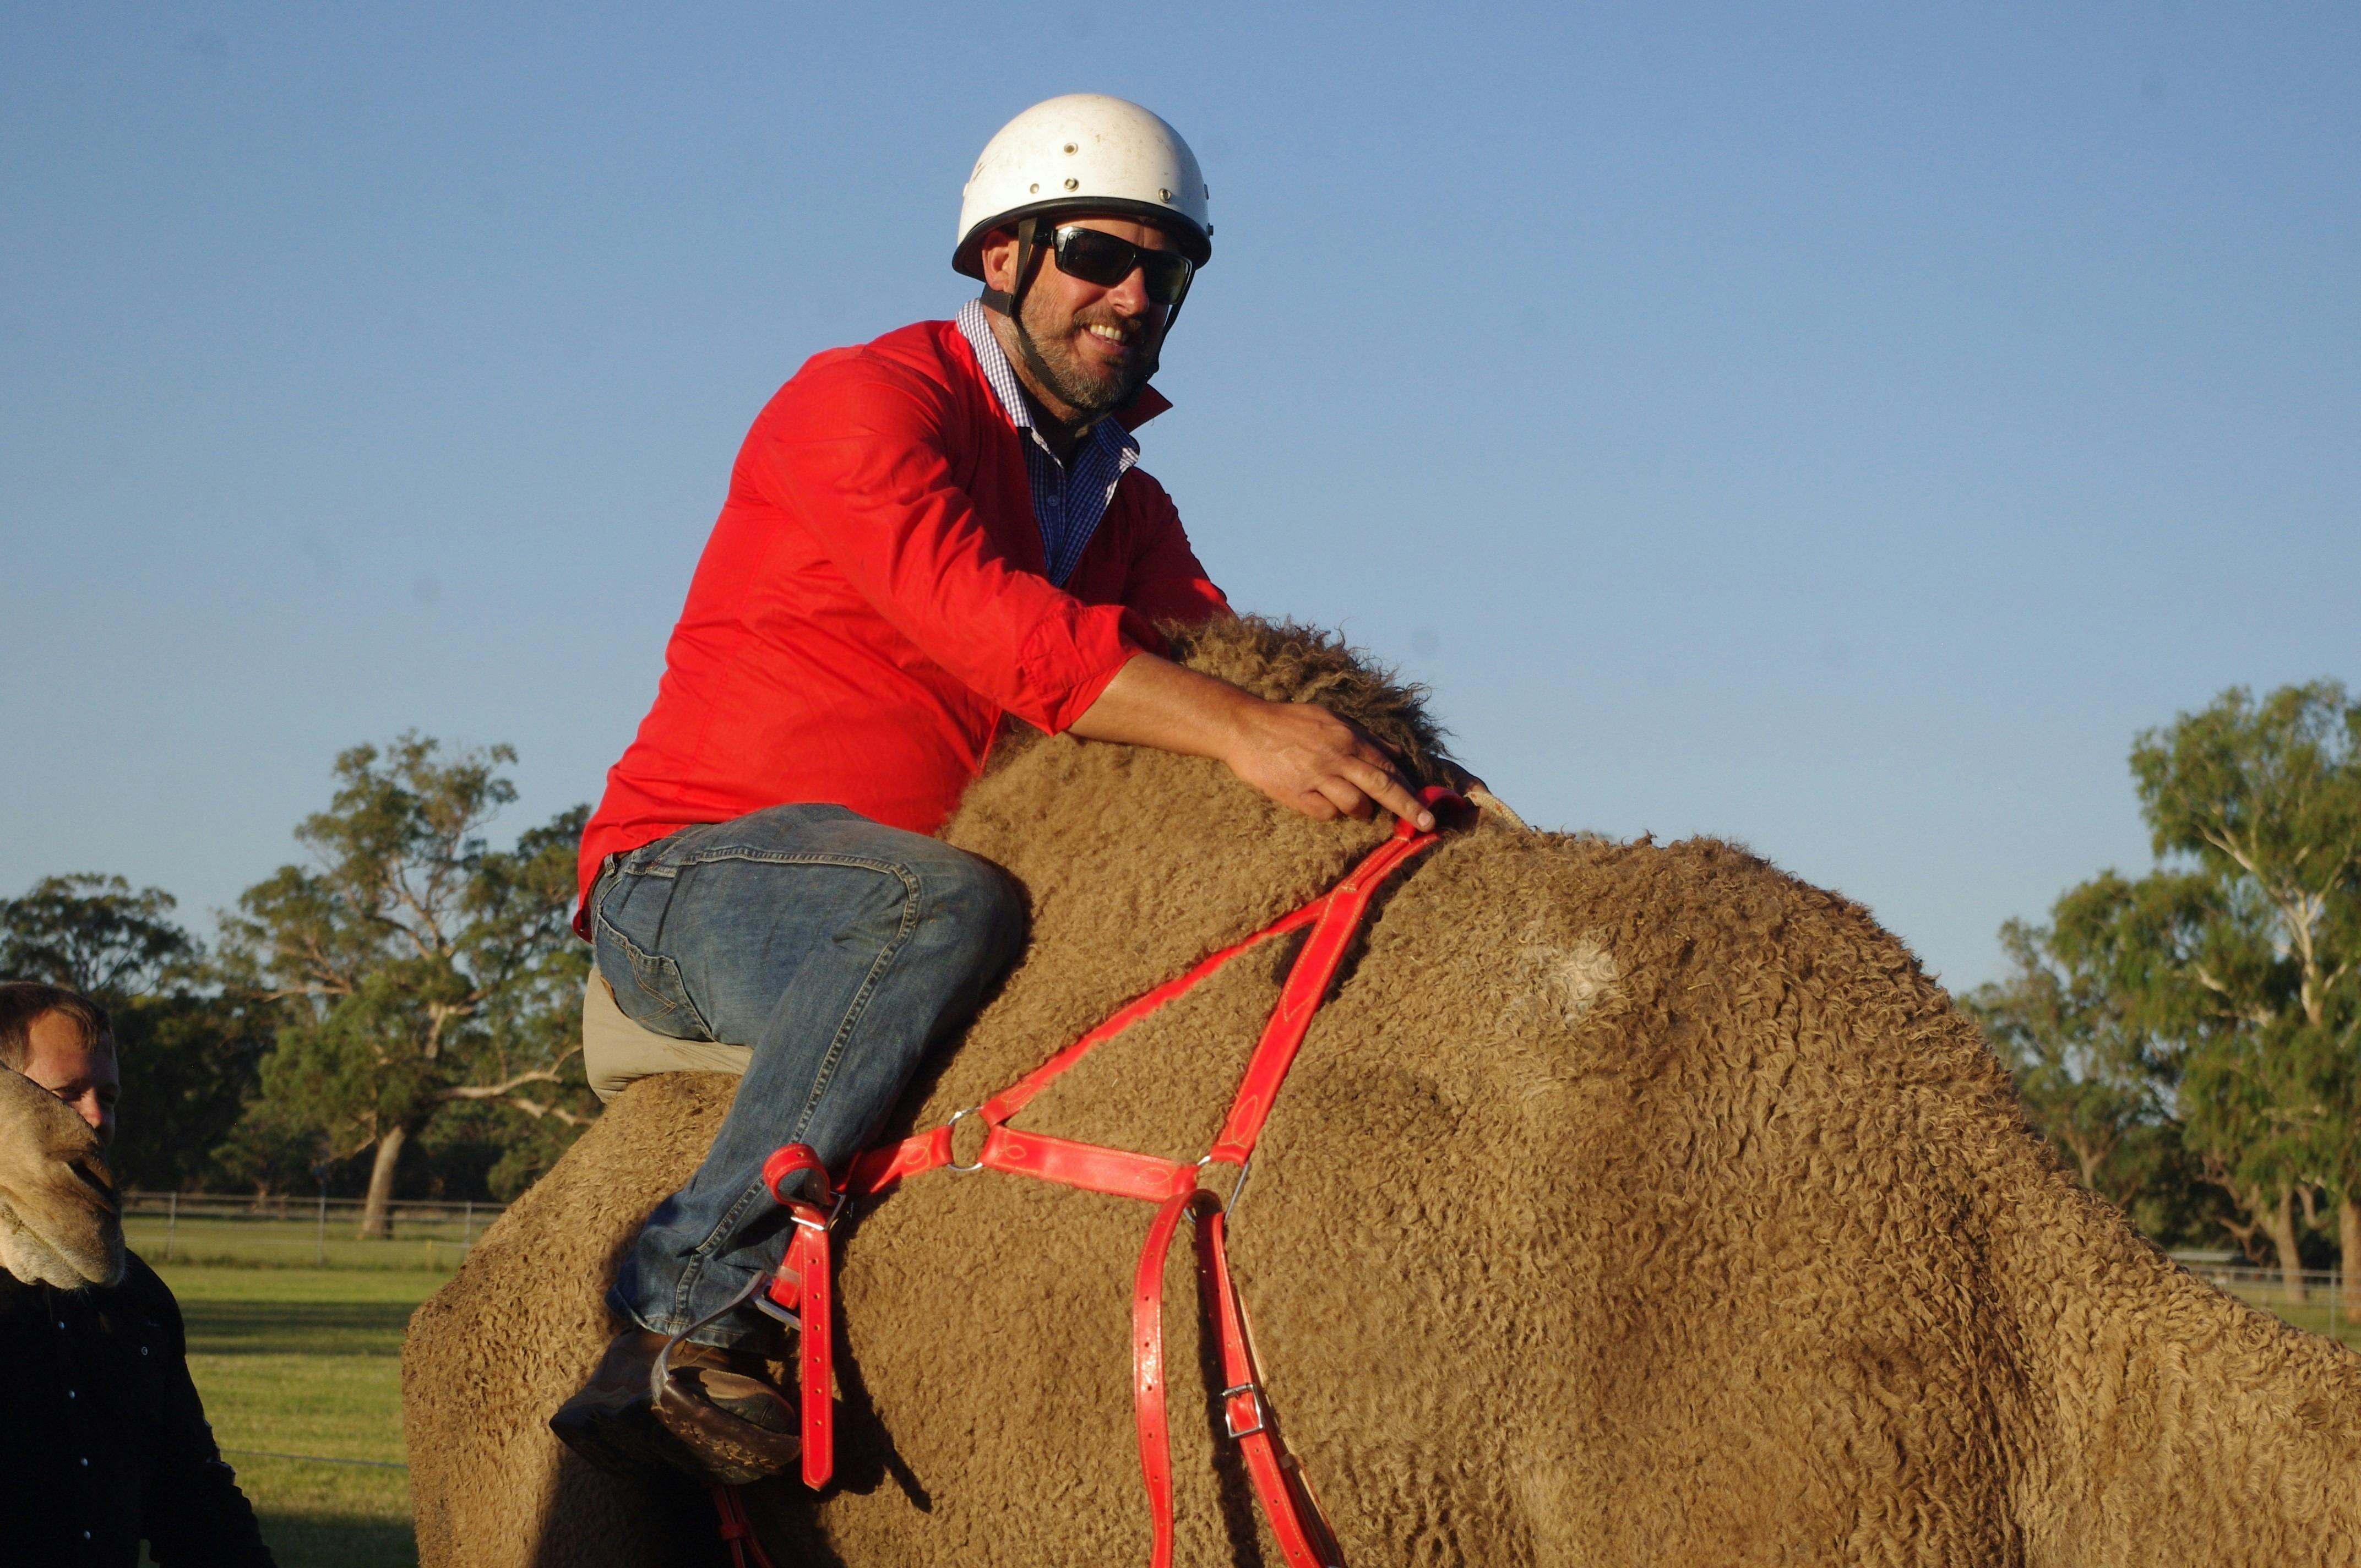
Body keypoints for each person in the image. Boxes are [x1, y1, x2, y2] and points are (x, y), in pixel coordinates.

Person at [550, 94, 1435, 1484]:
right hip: (692, 878)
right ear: (1001, 258)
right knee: (941, 906)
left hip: (902, 891)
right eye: (1097, 254)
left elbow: (1224, 652)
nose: (1133, 295)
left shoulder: (1120, 502)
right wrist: (1240, 729)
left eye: (1167, 272)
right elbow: (986, 624)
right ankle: (687, 1295)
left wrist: (1388, 764)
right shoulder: (861, 399)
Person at [0, 980, 277, 1566]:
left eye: (110, 1096)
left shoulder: (139, 1299)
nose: (97, 1117)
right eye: (68, 1093)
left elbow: (194, 1504)